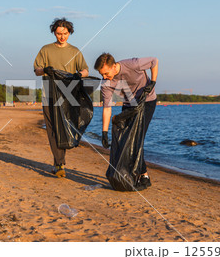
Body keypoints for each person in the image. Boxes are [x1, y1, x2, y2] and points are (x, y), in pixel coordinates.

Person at [33, 18, 89, 178]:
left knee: (64, 128)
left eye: (65, 33)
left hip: (68, 96)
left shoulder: (75, 51)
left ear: (69, 33)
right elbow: (36, 70)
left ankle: (58, 161)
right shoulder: (46, 50)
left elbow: (85, 70)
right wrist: (44, 69)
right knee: (52, 129)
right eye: (58, 33)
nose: (62, 36)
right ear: (54, 33)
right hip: (49, 94)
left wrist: (79, 74)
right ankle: (59, 163)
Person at [94, 53, 158, 188]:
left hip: (146, 102)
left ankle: (144, 177)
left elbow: (154, 61)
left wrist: (152, 82)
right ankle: (138, 174)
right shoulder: (106, 83)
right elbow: (107, 108)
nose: (104, 77)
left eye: (105, 73)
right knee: (126, 141)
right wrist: (104, 132)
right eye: (102, 74)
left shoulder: (132, 64)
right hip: (129, 106)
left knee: (137, 139)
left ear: (113, 66)